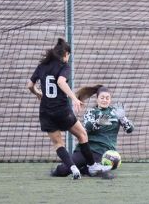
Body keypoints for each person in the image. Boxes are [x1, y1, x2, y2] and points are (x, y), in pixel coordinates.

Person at [27, 38, 105, 180]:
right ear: (66, 54)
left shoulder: (42, 66)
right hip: (62, 110)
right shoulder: (64, 66)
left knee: (58, 143)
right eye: (69, 55)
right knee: (82, 135)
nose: (68, 58)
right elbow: (61, 81)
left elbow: (29, 85)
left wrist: (37, 93)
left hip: (45, 112)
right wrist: (74, 98)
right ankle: (93, 166)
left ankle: (73, 168)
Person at [50, 84, 134, 179]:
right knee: (63, 171)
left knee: (105, 176)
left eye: (107, 98)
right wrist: (99, 122)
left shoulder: (116, 113)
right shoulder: (91, 111)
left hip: (104, 153)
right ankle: (66, 169)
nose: (104, 100)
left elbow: (129, 130)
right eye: (102, 97)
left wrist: (123, 119)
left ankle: (85, 170)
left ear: (110, 100)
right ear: (97, 99)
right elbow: (88, 126)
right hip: (87, 150)